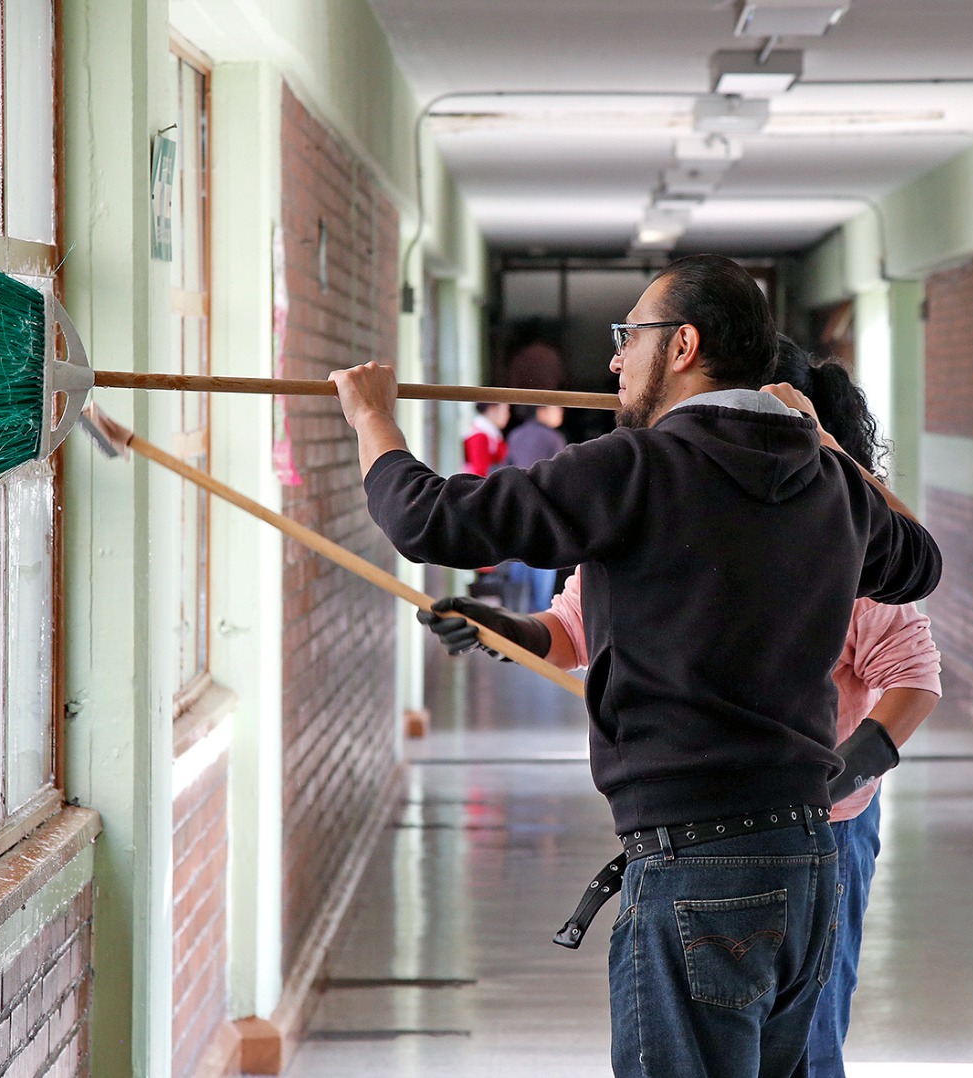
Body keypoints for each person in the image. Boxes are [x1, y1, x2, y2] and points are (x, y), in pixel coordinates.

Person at [329, 254, 942, 1078]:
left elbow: (433, 520)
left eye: (631, 336)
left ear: (683, 345)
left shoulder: (635, 466)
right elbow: (920, 561)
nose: (615, 359)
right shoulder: (823, 480)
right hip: (806, 862)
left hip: (697, 863)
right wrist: (830, 450)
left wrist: (374, 419)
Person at [502, 404, 568, 611]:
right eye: (556, 408)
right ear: (541, 410)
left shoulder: (515, 435)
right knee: (542, 591)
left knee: (518, 580)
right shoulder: (553, 438)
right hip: (544, 518)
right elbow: (561, 480)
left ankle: (512, 628)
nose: (560, 412)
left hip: (516, 515)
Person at [462, 400, 510, 477]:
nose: (508, 415)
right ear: (493, 409)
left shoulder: (491, 434)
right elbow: (479, 472)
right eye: (506, 410)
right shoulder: (479, 436)